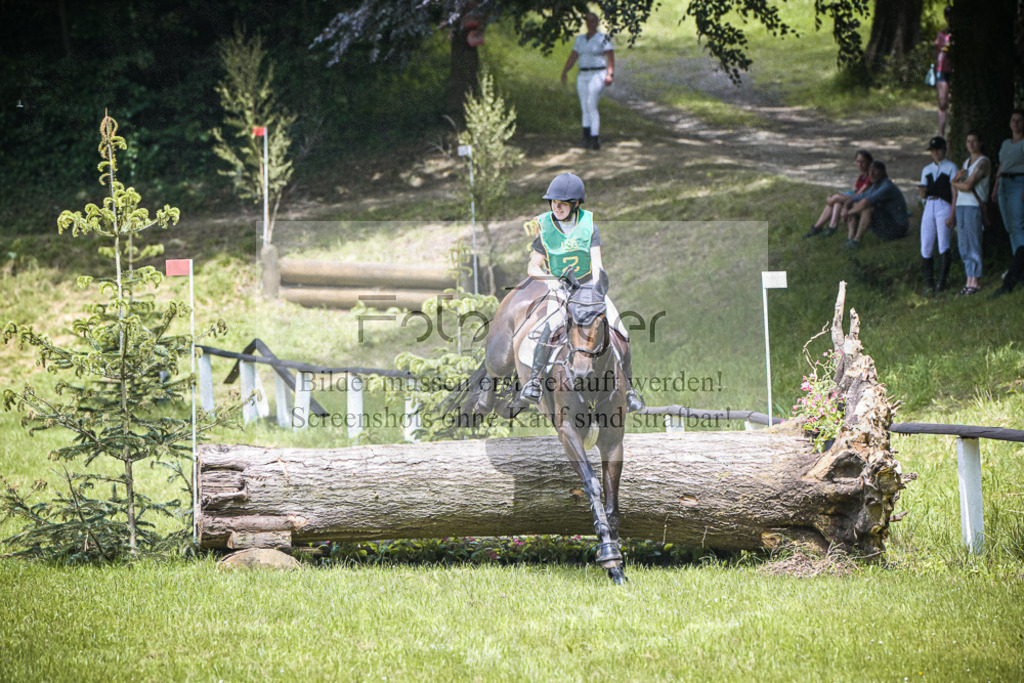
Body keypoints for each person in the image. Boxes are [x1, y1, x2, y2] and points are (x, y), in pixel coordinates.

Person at [519, 173, 644, 411]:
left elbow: (597, 264)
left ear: (575, 204)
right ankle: (534, 383)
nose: (557, 207)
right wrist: (550, 280)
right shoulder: (545, 228)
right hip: (561, 288)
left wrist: (596, 290)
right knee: (551, 323)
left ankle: (629, 390)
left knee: (621, 329)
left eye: (562, 203)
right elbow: (533, 266)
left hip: (588, 288)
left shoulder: (589, 226)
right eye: (554, 202)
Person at [561, 12, 614, 150]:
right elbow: (573, 56)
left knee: (591, 104)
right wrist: (565, 70)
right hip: (583, 74)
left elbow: (610, 56)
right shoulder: (580, 40)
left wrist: (610, 74)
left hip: (598, 73)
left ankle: (594, 138)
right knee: (584, 105)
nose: (590, 24)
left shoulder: (603, 38)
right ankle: (586, 137)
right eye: (588, 21)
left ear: (596, 23)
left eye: (592, 21)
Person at [948, 130, 991, 296]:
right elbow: (961, 187)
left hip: (973, 205)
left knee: (973, 243)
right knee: (963, 244)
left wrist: (954, 181)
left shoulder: (983, 162)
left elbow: (968, 186)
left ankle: (976, 282)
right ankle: (969, 280)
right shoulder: (966, 162)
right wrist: (959, 182)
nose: (970, 144)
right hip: (961, 205)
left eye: (974, 141)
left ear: (980, 143)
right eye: (968, 141)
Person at [918, 136, 958, 294]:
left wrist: (952, 213)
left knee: (943, 243)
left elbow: (954, 192)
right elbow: (923, 192)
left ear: (944, 149)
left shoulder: (951, 167)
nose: (936, 153)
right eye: (933, 150)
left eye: (938, 149)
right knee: (926, 243)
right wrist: (922, 195)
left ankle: (941, 283)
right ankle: (929, 283)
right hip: (930, 204)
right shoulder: (926, 169)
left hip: (944, 204)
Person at [804, 150, 873, 238]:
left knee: (836, 199)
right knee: (836, 201)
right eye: (858, 161)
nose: (859, 164)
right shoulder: (861, 177)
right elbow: (853, 191)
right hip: (856, 200)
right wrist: (840, 197)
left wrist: (836, 198)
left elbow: (858, 196)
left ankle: (831, 226)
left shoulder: (870, 177)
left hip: (863, 203)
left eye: (863, 162)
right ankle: (819, 227)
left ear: (869, 162)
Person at [842, 160, 910, 248]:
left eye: (875, 170)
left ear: (883, 172)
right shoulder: (875, 186)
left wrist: (848, 213)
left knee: (867, 209)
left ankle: (856, 241)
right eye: (870, 170)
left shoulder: (887, 186)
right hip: (886, 224)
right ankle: (850, 239)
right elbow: (854, 198)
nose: (871, 173)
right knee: (854, 205)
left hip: (898, 228)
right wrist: (845, 207)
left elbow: (865, 203)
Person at [992, 109, 1024, 256]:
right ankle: (1017, 263)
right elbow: (1002, 165)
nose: (1016, 123)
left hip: (1018, 182)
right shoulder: (1005, 144)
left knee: (1017, 224)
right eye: (1013, 120)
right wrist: (995, 188)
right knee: (1009, 226)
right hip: (1003, 183)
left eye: (1019, 120)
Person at [934, 7, 952, 138]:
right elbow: (936, 51)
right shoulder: (941, 35)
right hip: (941, 69)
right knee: (942, 102)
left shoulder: (959, 35)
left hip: (954, 70)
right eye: (948, 15)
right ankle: (941, 133)